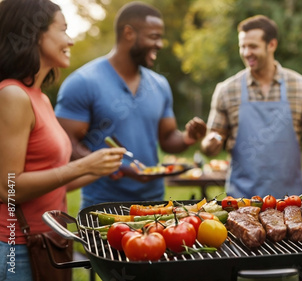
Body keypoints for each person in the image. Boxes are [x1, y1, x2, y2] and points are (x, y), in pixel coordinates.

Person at [0, 0, 125, 280]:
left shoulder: (40, 98)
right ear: (34, 34)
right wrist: (82, 166)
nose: (70, 40)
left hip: (49, 240)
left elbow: (50, 182)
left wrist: (98, 169)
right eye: (63, 30)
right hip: (16, 247)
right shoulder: (12, 95)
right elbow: (8, 188)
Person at [55, 2, 206, 210]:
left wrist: (188, 137)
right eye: (154, 36)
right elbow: (67, 143)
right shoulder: (83, 82)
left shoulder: (159, 85)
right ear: (128, 33)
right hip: (103, 205)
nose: (160, 44)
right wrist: (116, 168)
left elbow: (168, 138)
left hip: (155, 205)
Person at [200, 15, 302, 199]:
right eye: (242, 46)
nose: (246, 52)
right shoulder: (227, 90)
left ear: (272, 45)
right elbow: (211, 142)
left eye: (253, 46)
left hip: (290, 199)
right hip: (241, 200)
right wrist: (209, 142)